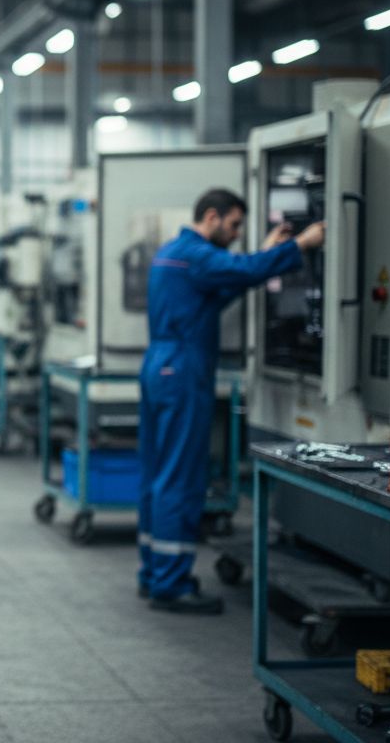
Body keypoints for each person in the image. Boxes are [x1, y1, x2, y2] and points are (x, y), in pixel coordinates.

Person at [137, 188, 323, 614]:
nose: (236, 234)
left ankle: (153, 572)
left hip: (159, 366)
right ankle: (171, 583)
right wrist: (302, 245)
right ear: (212, 217)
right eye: (234, 225)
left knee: (157, 473)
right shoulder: (198, 254)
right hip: (182, 369)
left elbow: (223, 287)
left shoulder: (173, 252)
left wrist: (264, 256)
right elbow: (237, 269)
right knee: (180, 479)